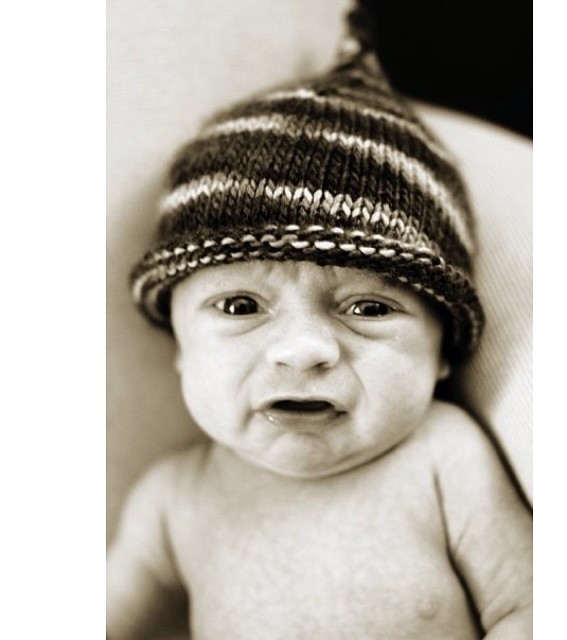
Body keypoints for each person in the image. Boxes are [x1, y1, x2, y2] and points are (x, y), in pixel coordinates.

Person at [107, 11, 532, 638]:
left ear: (443, 349)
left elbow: (526, 606)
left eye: (369, 309)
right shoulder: (174, 500)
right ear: (178, 344)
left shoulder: (443, 458)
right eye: (241, 306)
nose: (303, 350)